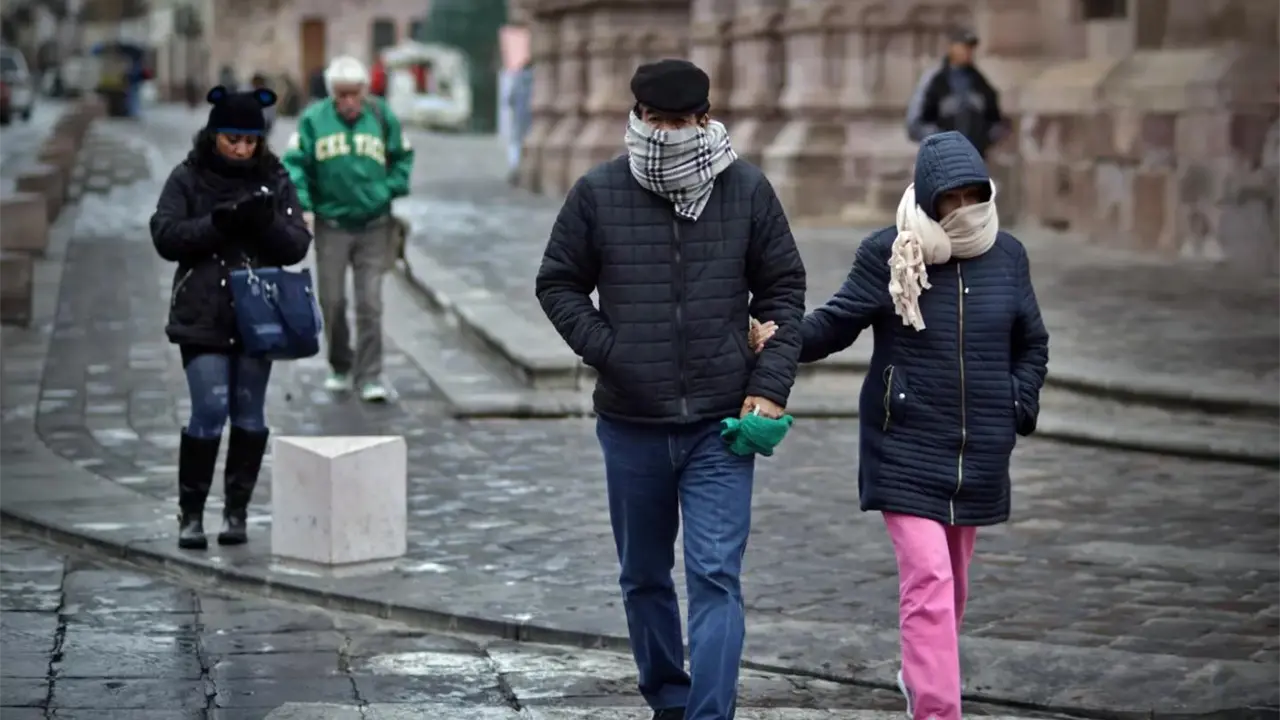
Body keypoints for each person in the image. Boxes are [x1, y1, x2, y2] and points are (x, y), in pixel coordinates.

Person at [535, 59, 807, 720]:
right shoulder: (598, 192)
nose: (668, 135)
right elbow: (557, 282)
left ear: (705, 120)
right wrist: (613, 350)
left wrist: (769, 385)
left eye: (681, 122)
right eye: (655, 121)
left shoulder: (747, 190)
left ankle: (710, 714)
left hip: (722, 425)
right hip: (631, 423)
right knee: (645, 578)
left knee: (716, 576)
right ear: (636, 118)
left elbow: (785, 293)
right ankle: (667, 696)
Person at [749, 131, 1049, 720]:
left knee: (952, 587)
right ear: (930, 197)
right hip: (905, 442)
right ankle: (937, 710)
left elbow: (1031, 342)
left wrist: (1018, 402)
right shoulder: (890, 251)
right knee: (930, 579)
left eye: (973, 194)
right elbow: (838, 322)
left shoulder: (1007, 255)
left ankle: (920, 673)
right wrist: (781, 340)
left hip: (980, 449)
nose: (963, 208)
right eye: (951, 197)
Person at [149, 85, 313, 550]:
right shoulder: (188, 177)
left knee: (249, 413)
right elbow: (165, 234)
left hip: (258, 313)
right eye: (232, 140)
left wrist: (264, 224)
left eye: (250, 141)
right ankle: (192, 513)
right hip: (202, 311)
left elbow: (297, 242)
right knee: (209, 408)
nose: (242, 150)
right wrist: (217, 223)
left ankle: (236, 512)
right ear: (214, 134)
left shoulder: (274, 176)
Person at [282, 55, 416, 402]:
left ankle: (370, 374)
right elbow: (295, 164)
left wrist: (388, 189)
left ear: (364, 92)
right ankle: (340, 364)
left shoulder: (381, 116)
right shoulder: (314, 120)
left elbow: (402, 156)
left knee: (370, 302)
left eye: (355, 94)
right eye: (341, 95)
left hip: (375, 225)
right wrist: (305, 206)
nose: (349, 102)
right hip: (332, 225)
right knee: (333, 301)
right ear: (331, 94)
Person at [905, 27, 1008, 158]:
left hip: (973, 160)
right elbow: (914, 124)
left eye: (970, 48)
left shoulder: (980, 83)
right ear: (952, 47)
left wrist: (983, 140)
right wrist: (942, 142)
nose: (967, 52)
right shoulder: (934, 80)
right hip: (943, 160)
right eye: (963, 46)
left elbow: (995, 120)